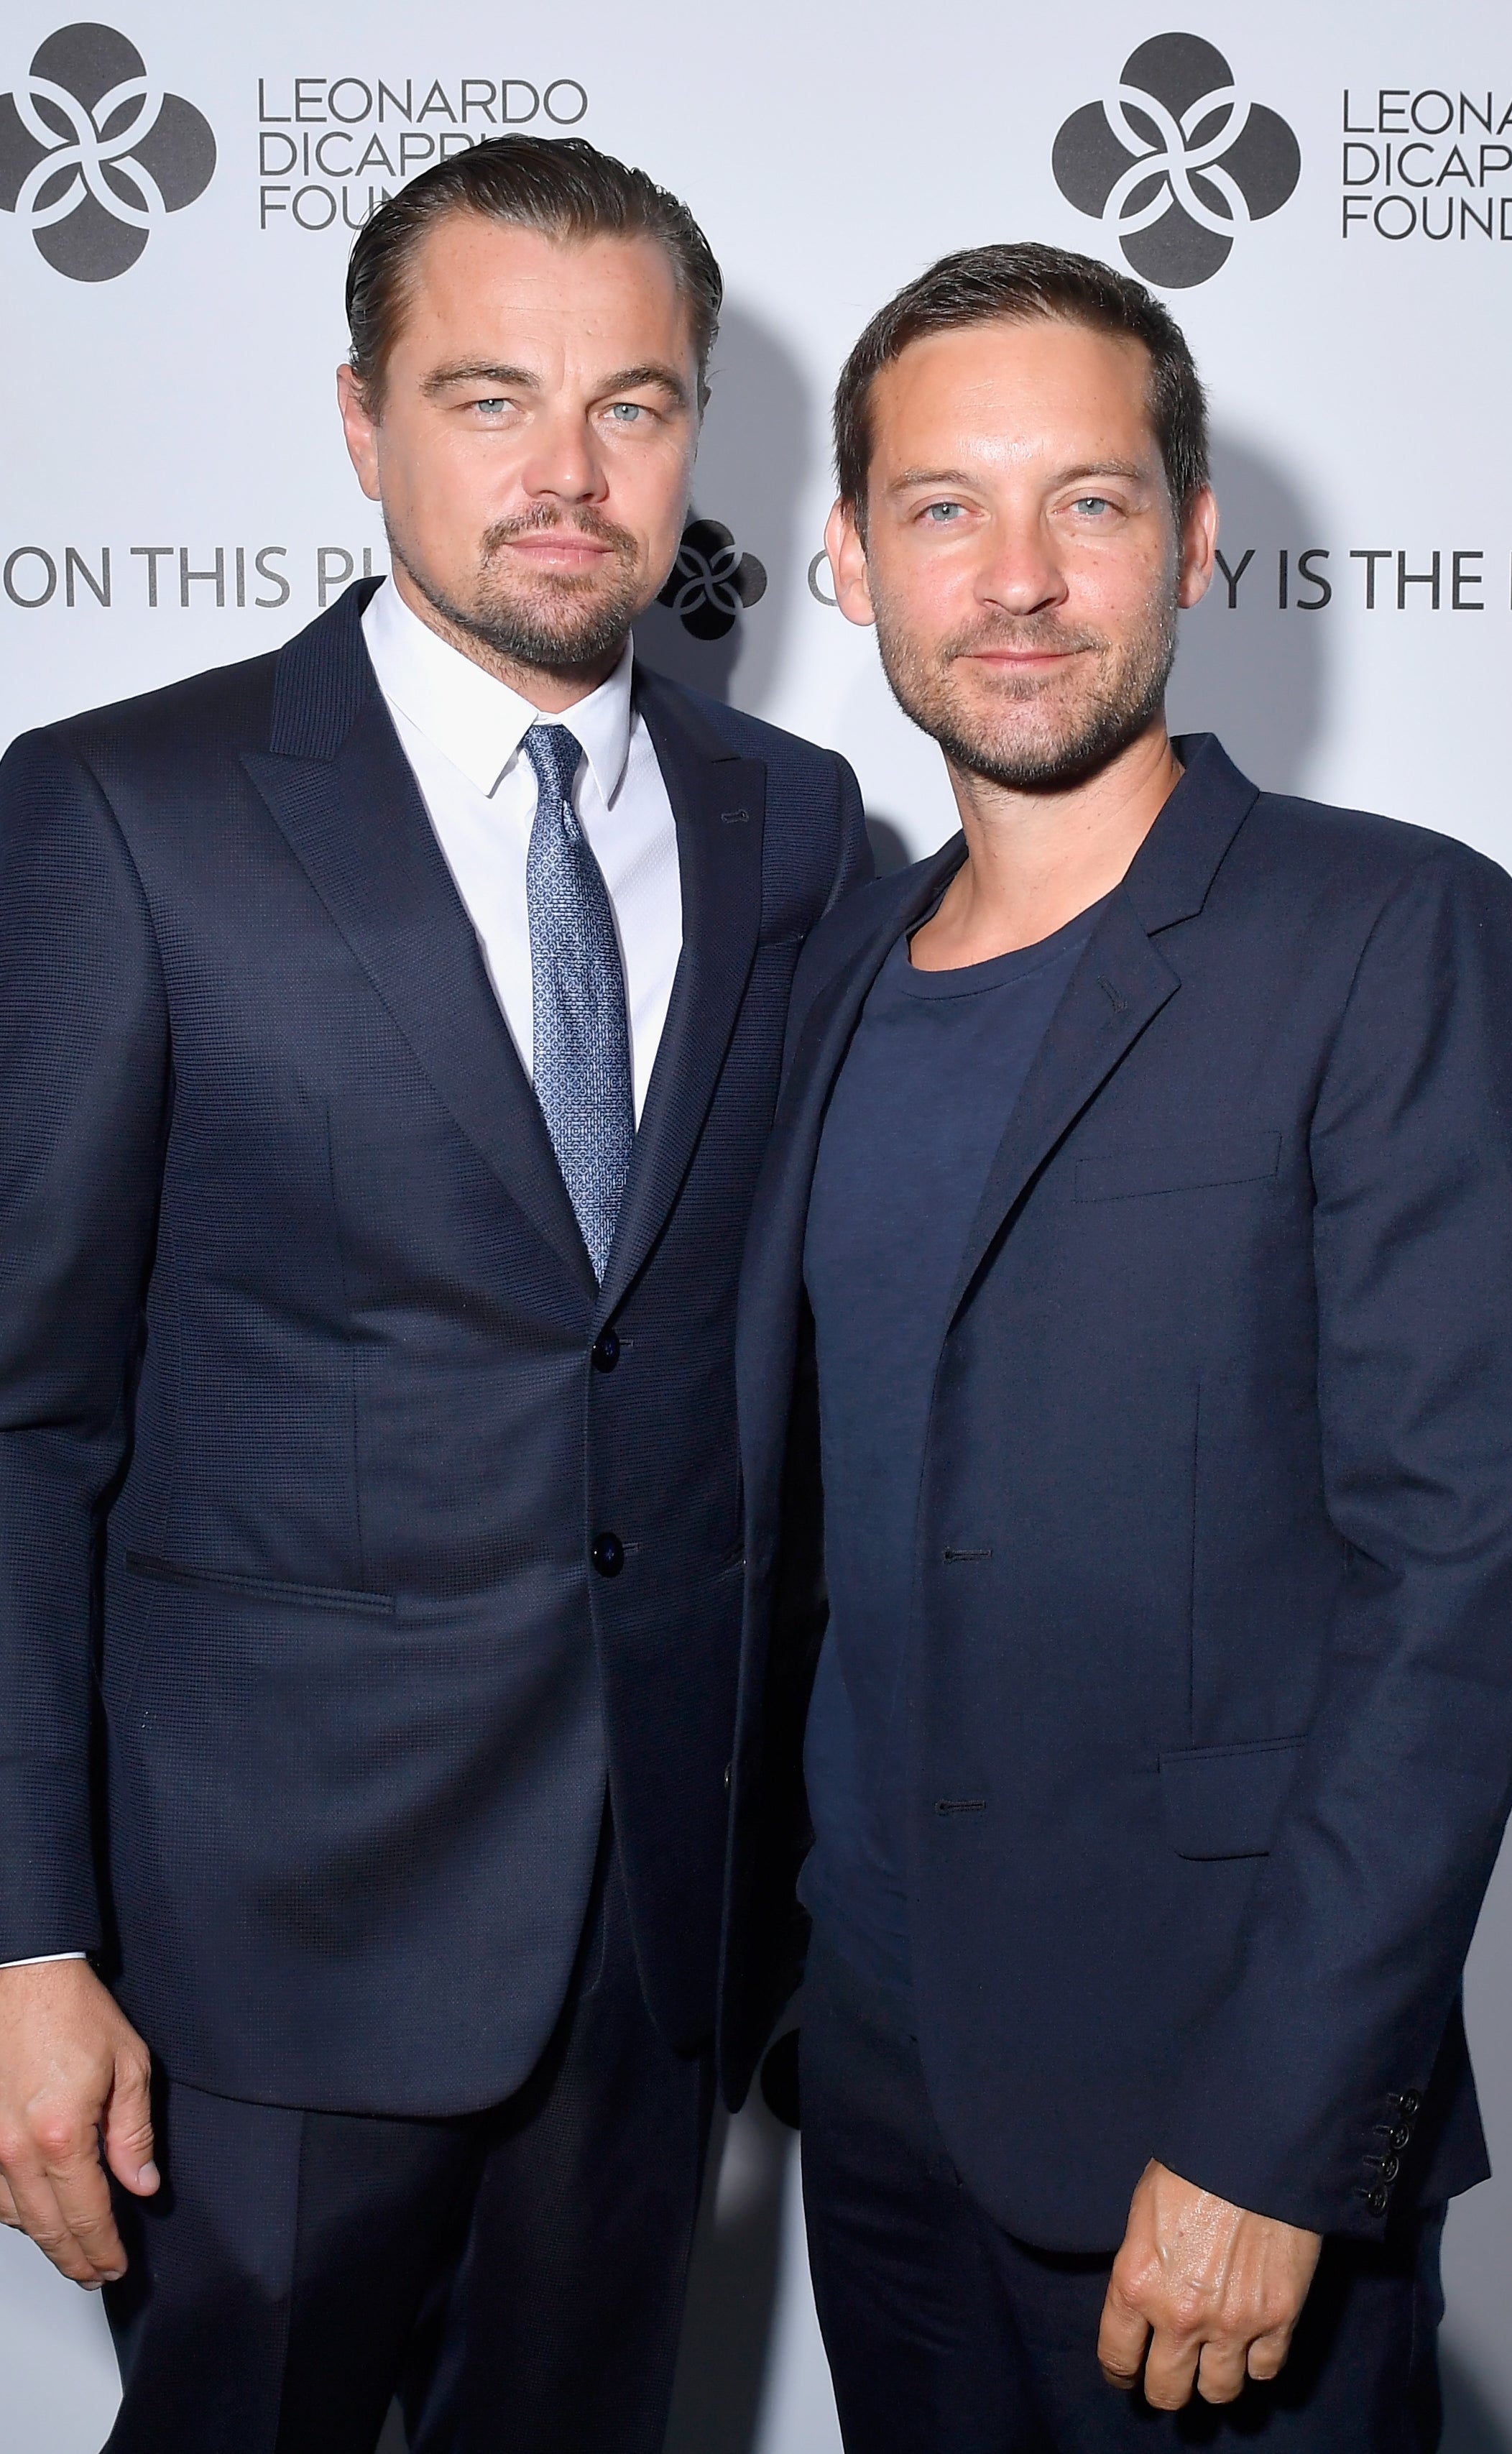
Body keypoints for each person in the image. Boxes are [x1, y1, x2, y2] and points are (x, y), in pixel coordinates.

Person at [0, 134, 867, 2454]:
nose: (568, 474)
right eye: (489, 398)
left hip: (655, 1951)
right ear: (362, 424)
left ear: (694, 436)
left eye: (630, 405)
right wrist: (22, 1940)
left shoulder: (796, 826)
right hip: (250, 1964)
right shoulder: (127, 812)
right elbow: (23, 1420)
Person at [719, 242, 1512, 2450]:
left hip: (1208, 2128)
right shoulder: (828, 967)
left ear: (1189, 537)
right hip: (870, 2100)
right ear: (848, 558)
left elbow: (1460, 1572)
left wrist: (1281, 2132)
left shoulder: (1391, 933)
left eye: (1085, 500)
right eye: (943, 506)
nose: (1015, 577)